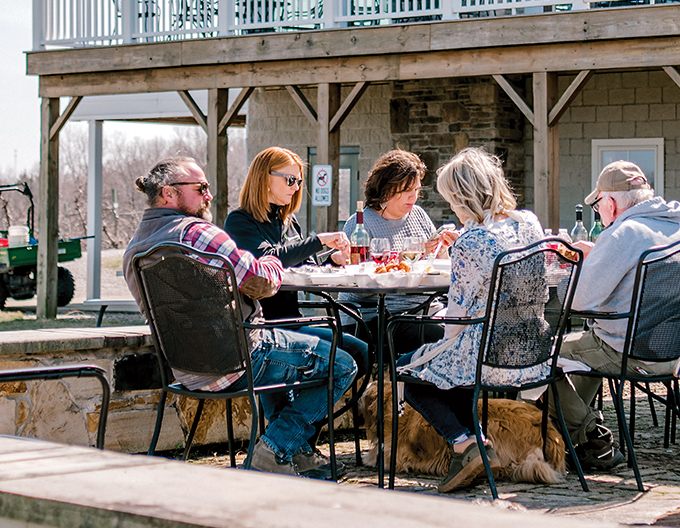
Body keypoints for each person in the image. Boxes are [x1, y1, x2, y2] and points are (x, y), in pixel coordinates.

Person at [121, 156, 358, 480]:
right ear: (168, 194)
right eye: (200, 188)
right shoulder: (198, 234)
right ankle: (274, 448)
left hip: (185, 370)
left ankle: (296, 452)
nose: (208, 196)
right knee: (342, 363)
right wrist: (276, 265)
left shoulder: (134, 250)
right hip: (240, 360)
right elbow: (259, 279)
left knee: (299, 348)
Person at [395, 147, 546, 493]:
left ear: (464, 197)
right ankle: (476, 444)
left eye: (452, 200)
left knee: (408, 369)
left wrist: (443, 326)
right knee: (445, 367)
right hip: (532, 346)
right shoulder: (528, 223)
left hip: (488, 353)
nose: (451, 207)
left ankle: (466, 443)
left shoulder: (472, 240)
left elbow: (458, 320)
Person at [548, 161, 680, 470]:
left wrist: (565, 274)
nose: (598, 212)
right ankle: (577, 435)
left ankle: (594, 437)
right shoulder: (677, 228)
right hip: (677, 350)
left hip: (629, 350)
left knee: (536, 357)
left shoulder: (622, 234)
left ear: (612, 203)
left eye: (598, 204)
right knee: (577, 352)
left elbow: (578, 300)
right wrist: (598, 256)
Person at [224, 147, 368, 376]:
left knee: (361, 351)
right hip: (262, 328)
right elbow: (268, 260)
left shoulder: (288, 222)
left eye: (299, 181)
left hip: (293, 323)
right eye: (290, 180)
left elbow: (304, 265)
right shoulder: (240, 221)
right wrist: (319, 240)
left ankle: (308, 409)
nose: (296, 187)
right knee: (345, 358)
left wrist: (333, 259)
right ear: (264, 178)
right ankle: (295, 412)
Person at [341, 149, 447, 353]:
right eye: (406, 190)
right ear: (387, 188)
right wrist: (402, 261)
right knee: (442, 336)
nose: (413, 196)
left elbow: (435, 265)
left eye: (416, 190)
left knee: (466, 328)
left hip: (423, 310)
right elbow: (355, 284)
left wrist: (441, 248)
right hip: (374, 317)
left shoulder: (419, 215)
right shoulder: (361, 223)